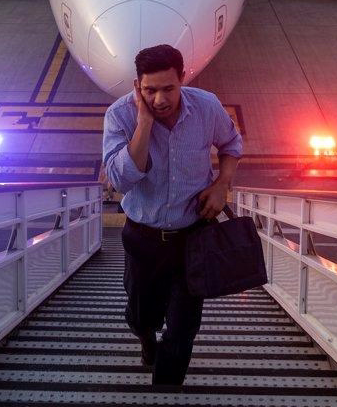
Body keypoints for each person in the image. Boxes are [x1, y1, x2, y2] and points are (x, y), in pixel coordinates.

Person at [102, 44, 243, 387]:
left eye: (169, 88)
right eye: (150, 90)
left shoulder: (206, 107)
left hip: (191, 237)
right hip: (142, 237)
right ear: (138, 86)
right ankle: (146, 338)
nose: (160, 99)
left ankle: (166, 387)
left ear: (183, 79)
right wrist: (144, 124)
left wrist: (222, 183)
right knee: (140, 315)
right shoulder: (120, 115)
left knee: (183, 326)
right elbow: (120, 180)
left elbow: (232, 144)